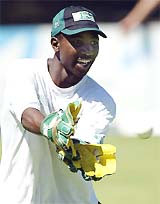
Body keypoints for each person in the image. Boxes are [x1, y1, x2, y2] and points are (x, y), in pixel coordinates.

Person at [0, 6, 116, 204]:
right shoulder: (20, 72)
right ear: (55, 43)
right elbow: (28, 115)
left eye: (93, 42)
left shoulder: (101, 100)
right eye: (78, 42)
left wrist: (82, 151)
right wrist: (52, 128)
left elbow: (84, 141)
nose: (88, 50)